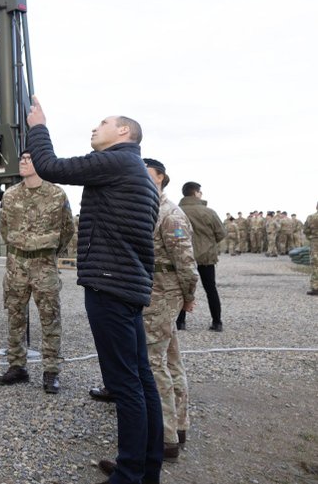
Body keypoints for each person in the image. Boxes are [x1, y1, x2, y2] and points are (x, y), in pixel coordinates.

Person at [24, 96, 162, 484]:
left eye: (103, 122)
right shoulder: (135, 170)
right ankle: (145, 468)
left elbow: (51, 167)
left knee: (125, 384)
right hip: (127, 285)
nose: (94, 127)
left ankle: (130, 474)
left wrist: (38, 127)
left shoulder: (118, 160)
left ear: (124, 132)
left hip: (111, 285)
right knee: (140, 378)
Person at [0, 150, 75, 394]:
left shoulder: (56, 194)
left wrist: (47, 251)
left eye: (28, 159)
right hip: (16, 266)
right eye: (21, 158)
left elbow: (67, 229)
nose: (23, 162)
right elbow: (4, 227)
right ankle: (17, 366)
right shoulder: (10, 195)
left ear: (40, 163)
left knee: (50, 319)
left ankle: (51, 371)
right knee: (15, 318)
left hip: (44, 266)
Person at [142, 159, 198, 462]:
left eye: (146, 173)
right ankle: (179, 425)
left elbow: (187, 264)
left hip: (163, 293)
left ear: (161, 177)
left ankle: (165, 439)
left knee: (153, 362)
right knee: (171, 357)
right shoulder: (148, 207)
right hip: (153, 291)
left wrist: (189, 297)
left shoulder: (170, 214)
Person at [177, 182, 226, 332]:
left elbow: (175, 233)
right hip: (206, 257)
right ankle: (217, 322)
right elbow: (221, 233)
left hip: (184, 256)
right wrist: (208, 243)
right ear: (196, 193)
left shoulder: (177, 211)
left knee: (182, 288)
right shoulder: (208, 212)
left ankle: (180, 322)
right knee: (210, 289)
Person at [304, 203, 318, 296]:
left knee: (315, 264)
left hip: (315, 242)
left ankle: (315, 287)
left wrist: (311, 237)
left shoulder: (311, 217)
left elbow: (306, 230)